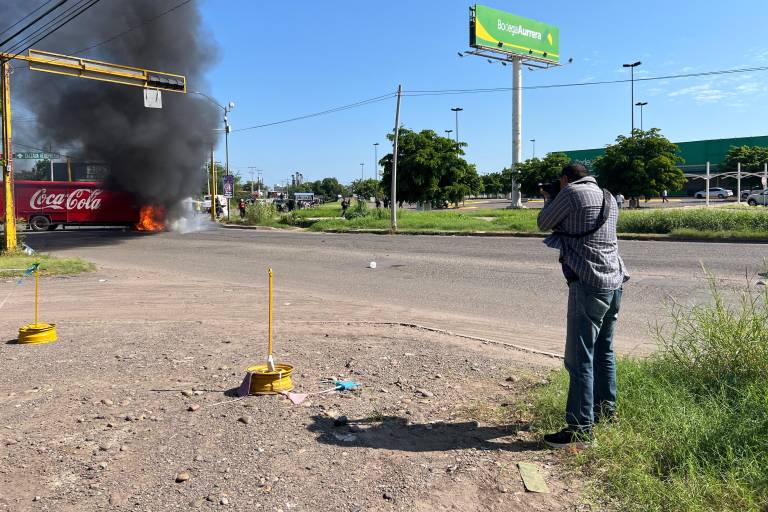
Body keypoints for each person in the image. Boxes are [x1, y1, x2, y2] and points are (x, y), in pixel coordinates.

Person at [536, 163, 629, 449]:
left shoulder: (571, 193)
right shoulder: (608, 196)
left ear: (566, 179)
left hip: (588, 283)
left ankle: (579, 430)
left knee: (579, 359)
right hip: (614, 282)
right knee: (604, 350)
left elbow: (543, 222)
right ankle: (605, 412)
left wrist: (551, 197)